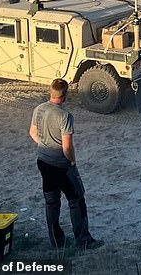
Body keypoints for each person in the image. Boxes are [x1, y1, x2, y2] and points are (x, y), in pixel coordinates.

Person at [28, 79, 103, 250]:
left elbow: (32, 132)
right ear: (65, 95)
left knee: (51, 201)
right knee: (76, 199)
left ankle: (56, 240)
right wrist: (72, 161)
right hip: (61, 165)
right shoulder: (65, 116)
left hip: (43, 161)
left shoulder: (38, 109)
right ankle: (83, 240)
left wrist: (44, 145)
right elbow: (67, 146)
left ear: (51, 92)